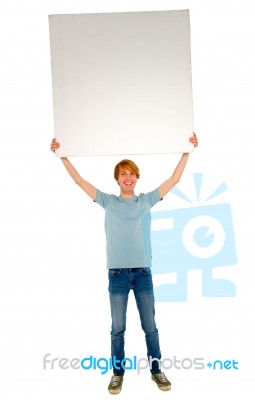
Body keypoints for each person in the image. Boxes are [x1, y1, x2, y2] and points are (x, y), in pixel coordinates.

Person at [50, 133, 198, 394]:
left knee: (150, 327)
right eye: (122, 174)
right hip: (117, 275)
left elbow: (174, 179)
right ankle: (117, 373)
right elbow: (79, 180)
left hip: (142, 274)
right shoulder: (108, 201)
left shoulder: (147, 200)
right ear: (117, 179)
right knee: (117, 329)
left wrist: (187, 151)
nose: (127, 178)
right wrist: (61, 155)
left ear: (136, 177)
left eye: (131, 174)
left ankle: (156, 371)